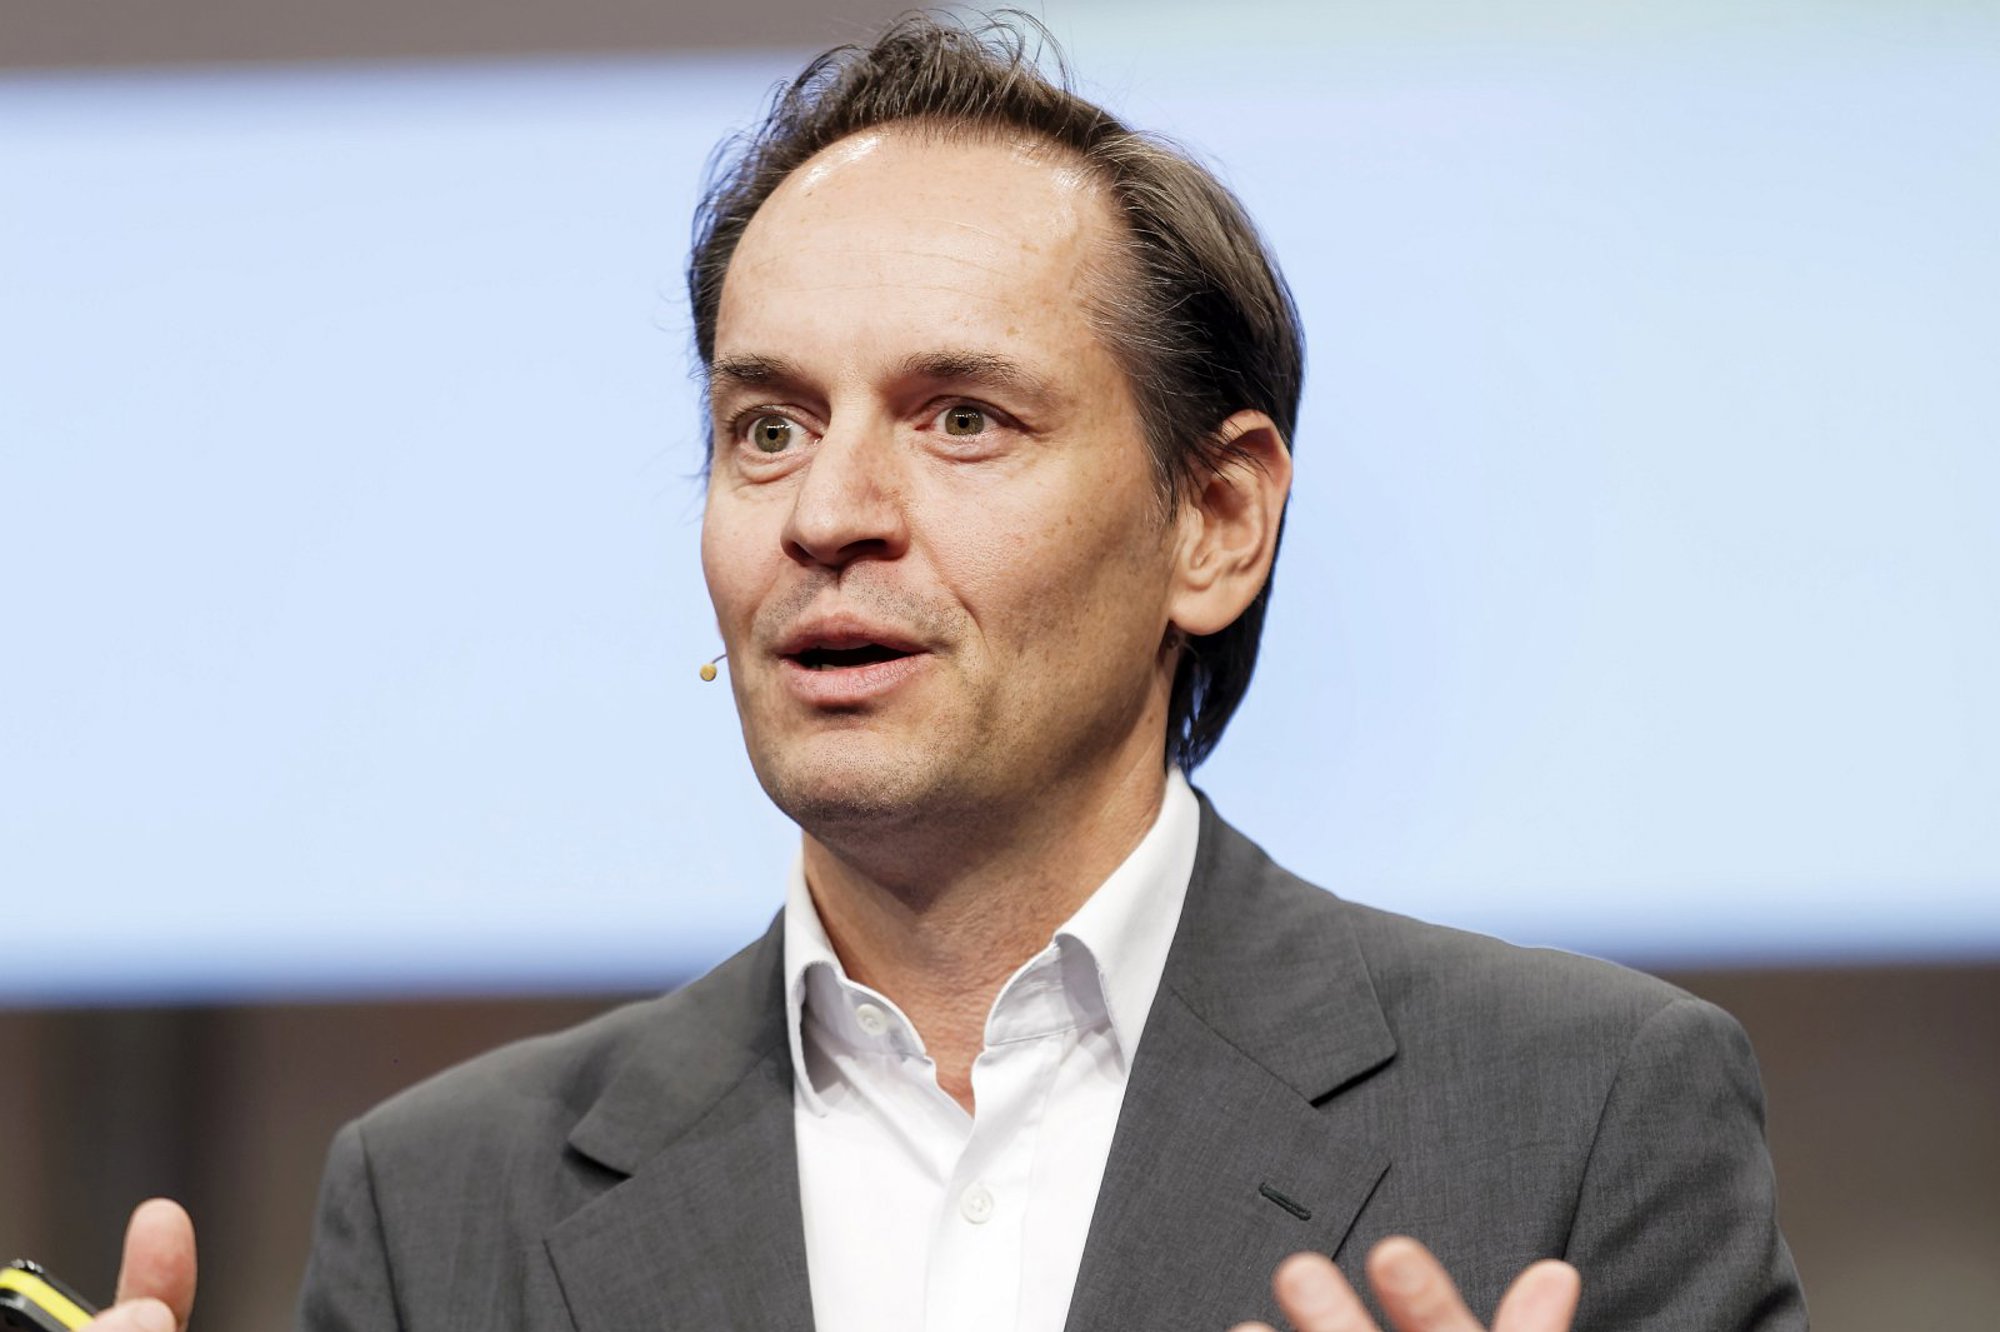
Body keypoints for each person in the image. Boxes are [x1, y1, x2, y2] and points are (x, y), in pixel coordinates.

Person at [84, 14, 1806, 1332]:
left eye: (961, 418)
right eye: (767, 427)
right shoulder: (439, 1208)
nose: (828, 512)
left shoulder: (1584, 1115)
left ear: (1215, 523)